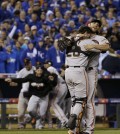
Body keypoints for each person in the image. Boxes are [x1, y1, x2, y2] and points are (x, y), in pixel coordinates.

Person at [58, 26, 99, 134]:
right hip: (79, 71)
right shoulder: (85, 43)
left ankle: (72, 129)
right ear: (85, 33)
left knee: (74, 100)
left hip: (67, 72)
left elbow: (60, 45)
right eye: (89, 34)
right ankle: (73, 116)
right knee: (81, 100)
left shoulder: (69, 41)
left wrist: (75, 37)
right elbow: (101, 49)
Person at [79, 20, 110, 134]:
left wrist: (93, 45)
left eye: (98, 25)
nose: (96, 25)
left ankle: (89, 129)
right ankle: (78, 126)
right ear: (88, 24)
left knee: (89, 100)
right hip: (78, 71)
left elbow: (106, 47)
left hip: (91, 71)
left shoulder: (99, 38)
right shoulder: (79, 36)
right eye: (94, 23)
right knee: (78, 100)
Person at [5, 63, 58, 129]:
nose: (39, 71)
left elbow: (53, 85)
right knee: (30, 110)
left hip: (44, 97)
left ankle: (40, 126)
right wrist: (12, 79)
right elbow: (22, 80)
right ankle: (37, 118)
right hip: (35, 96)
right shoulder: (31, 76)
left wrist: (52, 80)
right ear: (35, 71)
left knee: (42, 114)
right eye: (38, 70)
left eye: (40, 70)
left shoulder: (45, 77)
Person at [44, 60, 68, 128]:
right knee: (58, 105)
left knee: (53, 103)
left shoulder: (50, 68)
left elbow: (51, 79)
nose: (46, 65)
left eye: (46, 64)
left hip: (59, 86)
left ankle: (65, 121)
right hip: (63, 86)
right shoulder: (53, 68)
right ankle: (62, 123)